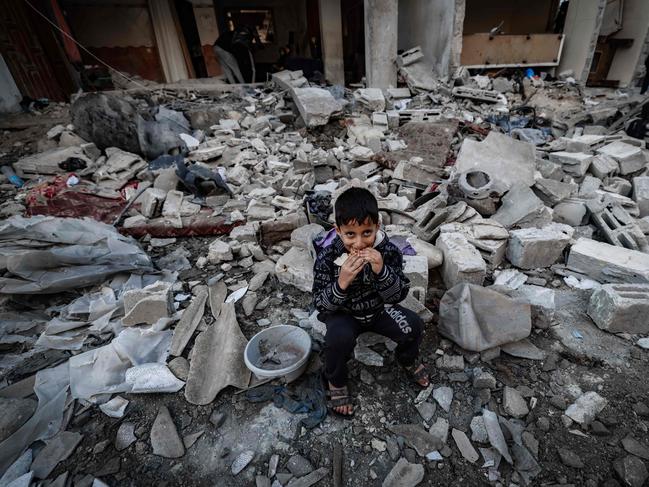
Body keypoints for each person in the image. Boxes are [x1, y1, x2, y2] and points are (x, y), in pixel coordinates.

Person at [313, 187, 429, 417]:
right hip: (344, 314)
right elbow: (320, 304)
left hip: (378, 310)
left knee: (413, 325)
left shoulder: (388, 252)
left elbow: (398, 296)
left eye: (367, 233)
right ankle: (336, 381)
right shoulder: (327, 257)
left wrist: (382, 270)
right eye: (350, 235)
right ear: (338, 231)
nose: (359, 244)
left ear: (377, 226)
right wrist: (342, 282)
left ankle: (407, 359)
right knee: (337, 339)